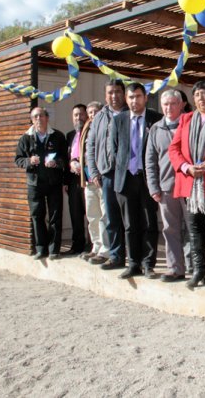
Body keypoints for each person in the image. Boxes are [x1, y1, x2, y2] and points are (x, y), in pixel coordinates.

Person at [169, 80, 205, 290]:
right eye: (196, 95)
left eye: (204, 94)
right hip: (191, 183)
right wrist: (186, 167)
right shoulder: (186, 119)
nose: (200, 98)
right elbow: (173, 149)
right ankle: (198, 270)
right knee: (194, 229)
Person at [109, 83, 163, 279]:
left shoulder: (156, 119)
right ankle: (133, 263)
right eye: (131, 97)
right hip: (125, 179)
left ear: (145, 98)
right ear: (126, 99)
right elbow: (114, 149)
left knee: (149, 222)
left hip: (147, 178)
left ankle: (148, 264)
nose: (134, 101)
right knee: (130, 224)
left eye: (138, 96)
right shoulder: (118, 120)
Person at [145, 89, 188, 282]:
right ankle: (175, 268)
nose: (169, 108)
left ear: (181, 105)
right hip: (166, 187)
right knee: (170, 229)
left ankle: (195, 267)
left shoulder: (189, 124)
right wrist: (153, 187)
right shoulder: (156, 129)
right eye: (165, 104)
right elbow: (150, 160)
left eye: (173, 104)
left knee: (191, 228)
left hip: (188, 186)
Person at [86, 79, 128, 271]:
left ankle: (137, 258)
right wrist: (94, 171)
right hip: (107, 175)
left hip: (129, 174)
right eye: (110, 92)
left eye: (118, 92)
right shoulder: (99, 117)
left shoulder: (131, 113)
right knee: (111, 218)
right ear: (105, 95)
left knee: (132, 219)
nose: (114, 96)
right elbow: (91, 146)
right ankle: (116, 255)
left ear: (123, 93)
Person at [15, 107, 67, 260]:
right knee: (37, 216)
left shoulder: (58, 136)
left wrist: (56, 163)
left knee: (55, 216)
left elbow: (66, 158)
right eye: (35, 117)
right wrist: (29, 161)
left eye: (41, 116)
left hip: (54, 183)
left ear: (47, 118)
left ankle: (54, 249)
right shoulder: (25, 138)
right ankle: (40, 248)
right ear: (32, 120)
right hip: (34, 184)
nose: (39, 119)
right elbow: (18, 159)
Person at [79, 101, 109, 263]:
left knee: (105, 216)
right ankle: (96, 246)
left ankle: (106, 250)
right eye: (89, 112)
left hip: (102, 179)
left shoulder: (105, 127)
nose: (92, 115)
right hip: (88, 179)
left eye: (95, 111)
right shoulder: (85, 129)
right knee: (92, 216)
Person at [64, 104, 88, 255]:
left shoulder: (91, 132)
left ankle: (93, 246)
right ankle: (77, 245)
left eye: (81, 114)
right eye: (75, 115)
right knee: (75, 214)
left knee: (92, 214)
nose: (78, 118)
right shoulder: (69, 135)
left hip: (88, 179)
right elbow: (65, 157)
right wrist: (66, 182)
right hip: (73, 181)